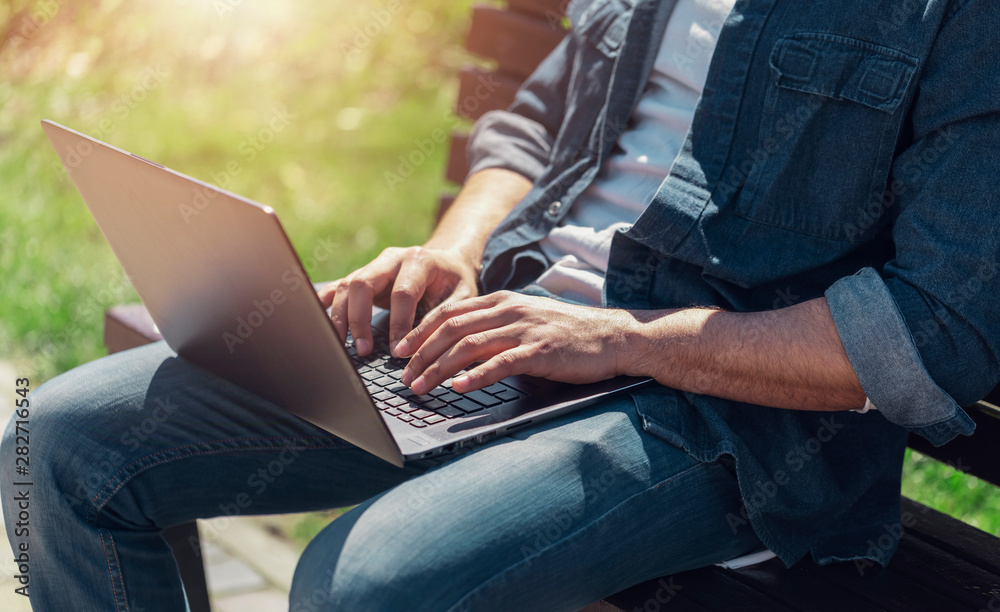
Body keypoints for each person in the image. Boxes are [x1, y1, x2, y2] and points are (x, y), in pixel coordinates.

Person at [4, 0, 999, 610]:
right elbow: (528, 124)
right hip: (506, 328)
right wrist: (453, 250)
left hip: (719, 416)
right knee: (58, 443)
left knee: (360, 587)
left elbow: (931, 332)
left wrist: (620, 338)